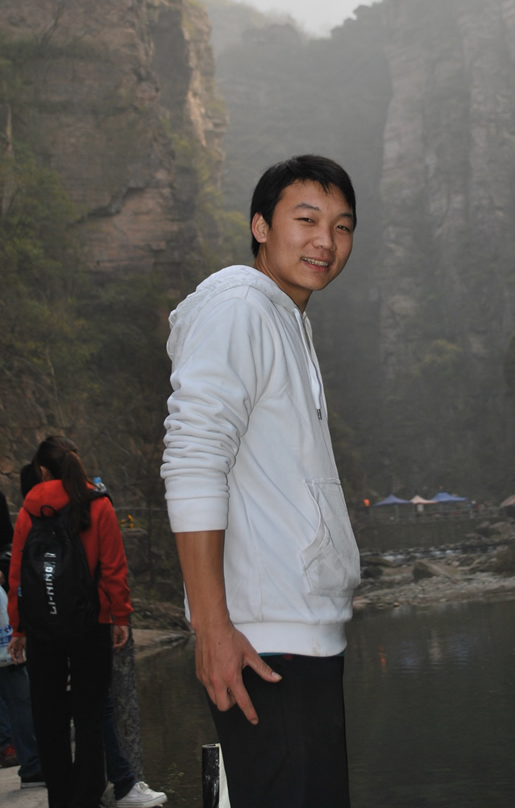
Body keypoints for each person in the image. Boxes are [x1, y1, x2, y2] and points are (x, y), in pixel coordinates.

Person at [161, 154, 361, 807]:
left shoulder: (285, 319)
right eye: (306, 219)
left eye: (341, 226)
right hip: (262, 642)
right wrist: (212, 627)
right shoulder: (240, 309)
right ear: (260, 226)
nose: (325, 241)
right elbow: (193, 457)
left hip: (300, 634)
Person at [8, 435, 133, 808]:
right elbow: (114, 567)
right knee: (90, 716)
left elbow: (18, 575)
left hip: (42, 627)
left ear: (43, 470)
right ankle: (87, 797)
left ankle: (60, 799)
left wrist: (19, 628)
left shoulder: (30, 509)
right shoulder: (98, 504)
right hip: (91, 623)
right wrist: (120, 615)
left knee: (49, 719)